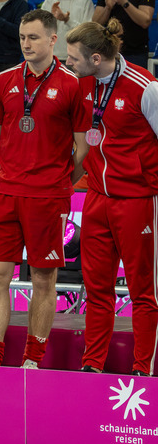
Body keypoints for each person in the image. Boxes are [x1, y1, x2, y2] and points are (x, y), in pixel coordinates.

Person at [0, 9, 88, 368]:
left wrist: (60, 181)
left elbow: (83, 149)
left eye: (34, 37)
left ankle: (33, 359)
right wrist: (13, 169)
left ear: (53, 39)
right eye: (23, 37)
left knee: (43, 277)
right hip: (6, 193)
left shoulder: (72, 84)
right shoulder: (3, 81)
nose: (26, 43)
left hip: (49, 197)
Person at [65, 20, 158, 376]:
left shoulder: (145, 87)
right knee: (96, 289)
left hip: (137, 200)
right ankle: (92, 365)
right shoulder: (83, 82)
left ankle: (142, 369)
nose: (68, 63)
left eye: (74, 58)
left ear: (97, 57)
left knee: (143, 293)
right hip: (97, 199)